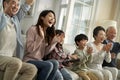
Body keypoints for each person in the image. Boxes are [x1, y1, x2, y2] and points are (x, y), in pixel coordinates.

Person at [0, 0, 37, 80]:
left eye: (18, 4)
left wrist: (28, 3)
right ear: (5, 3)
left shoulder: (15, 19)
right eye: (13, 3)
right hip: (1, 56)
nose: (16, 7)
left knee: (32, 69)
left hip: (9, 57)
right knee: (16, 62)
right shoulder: (1, 17)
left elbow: (24, 7)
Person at [23, 10, 59, 80]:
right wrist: (40, 38)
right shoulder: (33, 29)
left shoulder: (47, 33)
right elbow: (29, 49)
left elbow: (44, 53)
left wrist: (53, 43)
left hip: (39, 60)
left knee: (55, 63)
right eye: (50, 16)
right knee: (49, 65)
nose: (52, 19)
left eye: (54, 18)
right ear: (42, 17)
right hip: (29, 59)